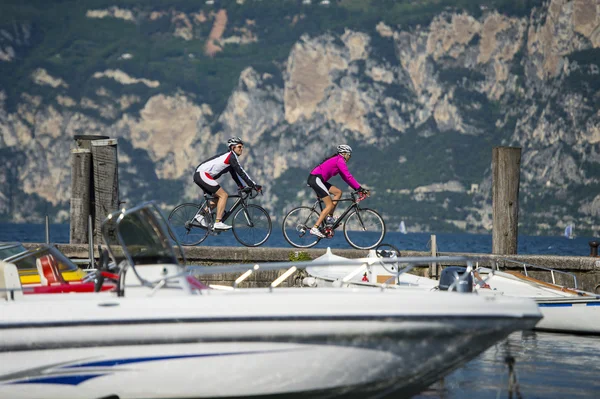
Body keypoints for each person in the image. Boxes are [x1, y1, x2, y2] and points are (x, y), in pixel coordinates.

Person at [193, 137, 261, 230]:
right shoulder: (231, 157)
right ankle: (218, 222)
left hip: (200, 175)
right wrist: (254, 185)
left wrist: (241, 186)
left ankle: (201, 216)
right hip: (202, 174)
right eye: (239, 147)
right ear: (233, 148)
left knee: (217, 198)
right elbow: (241, 172)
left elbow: (234, 175)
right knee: (223, 195)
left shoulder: (229, 158)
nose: (242, 149)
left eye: (242, 147)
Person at [306, 144, 368, 238]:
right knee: (329, 205)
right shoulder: (340, 160)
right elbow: (348, 176)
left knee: (338, 192)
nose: (349, 157)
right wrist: (360, 188)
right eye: (349, 155)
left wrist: (357, 188)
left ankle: (329, 218)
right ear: (343, 154)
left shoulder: (338, 160)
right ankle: (315, 228)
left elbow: (346, 179)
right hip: (315, 179)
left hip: (319, 180)